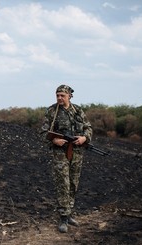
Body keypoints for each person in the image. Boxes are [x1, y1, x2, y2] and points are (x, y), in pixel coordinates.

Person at [41, 84, 93, 233]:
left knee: (73, 184)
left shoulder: (78, 110)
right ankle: (63, 217)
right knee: (63, 183)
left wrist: (84, 138)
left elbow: (88, 128)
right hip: (60, 153)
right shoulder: (52, 111)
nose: (59, 98)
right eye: (57, 95)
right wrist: (53, 141)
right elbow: (43, 132)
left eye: (62, 95)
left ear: (69, 96)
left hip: (77, 153)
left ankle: (69, 213)